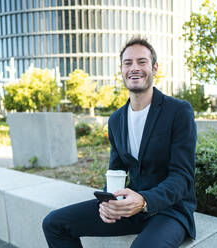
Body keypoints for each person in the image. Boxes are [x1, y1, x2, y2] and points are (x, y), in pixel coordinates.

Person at [42, 37, 197, 248]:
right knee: (54, 223)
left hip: (170, 210)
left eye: (142, 62)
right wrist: (107, 202)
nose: (134, 68)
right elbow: (116, 171)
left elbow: (183, 177)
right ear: (121, 70)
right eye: (128, 63)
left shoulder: (178, 111)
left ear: (154, 68)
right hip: (128, 207)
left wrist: (144, 200)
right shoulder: (116, 119)